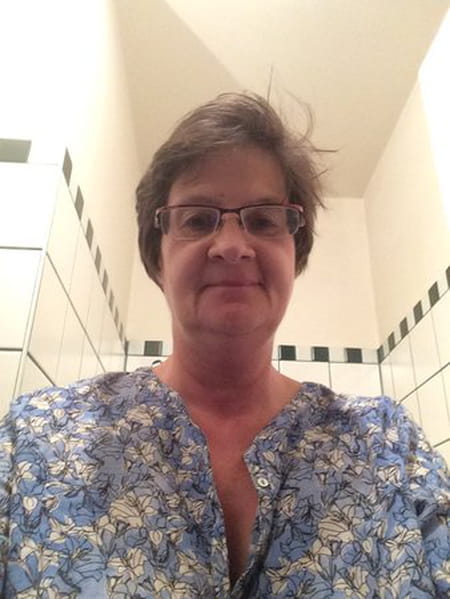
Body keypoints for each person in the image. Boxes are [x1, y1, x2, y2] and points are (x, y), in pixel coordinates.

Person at [0, 93, 448, 598]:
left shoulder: (390, 446)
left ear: (294, 252)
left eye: (264, 220)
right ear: (157, 258)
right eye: (197, 219)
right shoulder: (34, 440)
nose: (233, 246)